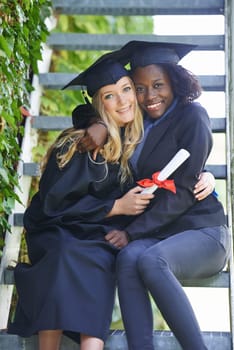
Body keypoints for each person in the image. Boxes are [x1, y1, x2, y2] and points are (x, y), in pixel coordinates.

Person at [7, 57, 154, 350]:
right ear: (99, 103)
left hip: (99, 239)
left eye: (126, 89)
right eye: (109, 95)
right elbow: (51, 206)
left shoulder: (138, 141)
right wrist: (115, 207)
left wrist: (207, 179)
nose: (122, 101)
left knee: (97, 260)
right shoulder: (79, 143)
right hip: (56, 231)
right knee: (64, 255)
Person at [103, 41, 230, 350]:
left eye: (158, 85)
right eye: (141, 88)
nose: (150, 96)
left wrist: (131, 232)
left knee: (150, 260)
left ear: (175, 80)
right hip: (160, 232)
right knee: (129, 258)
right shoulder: (136, 125)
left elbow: (186, 189)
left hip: (202, 231)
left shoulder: (193, 117)